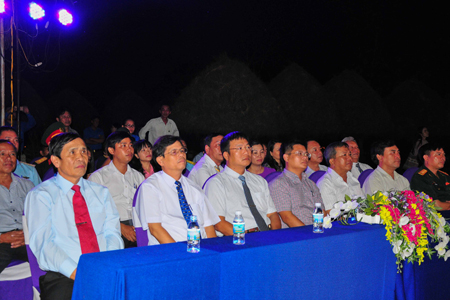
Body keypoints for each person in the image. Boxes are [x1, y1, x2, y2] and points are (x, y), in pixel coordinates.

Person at [24, 133, 123, 299]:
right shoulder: (41, 195)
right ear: (56, 161)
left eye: (84, 152)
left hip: (104, 266)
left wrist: (106, 264)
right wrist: (77, 272)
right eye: (73, 153)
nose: (81, 158)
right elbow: (44, 244)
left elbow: (112, 232)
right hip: (65, 273)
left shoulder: (101, 192)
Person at [135, 135, 219, 245]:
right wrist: (180, 253)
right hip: (171, 252)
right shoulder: (150, 187)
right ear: (160, 160)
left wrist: (213, 253)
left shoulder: (194, 187)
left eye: (182, 150)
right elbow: (155, 229)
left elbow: (208, 227)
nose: (181, 155)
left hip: (201, 250)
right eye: (174, 152)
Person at [204, 131, 281, 235]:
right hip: (241, 238)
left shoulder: (259, 181)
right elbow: (219, 223)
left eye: (248, 147)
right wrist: (245, 239)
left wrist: (274, 236)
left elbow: (272, 214)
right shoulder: (216, 183)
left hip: (266, 235)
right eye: (240, 148)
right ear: (226, 155)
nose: (246, 152)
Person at [89, 131, 145, 248]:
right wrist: (120, 227)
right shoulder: (98, 177)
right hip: (112, 228)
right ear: (111, 150)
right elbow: (94, 212)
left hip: (137, 226)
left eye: (130, 145)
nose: (129, 149)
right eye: (123, 145)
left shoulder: (137, 176)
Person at [269, 140, 325, 228]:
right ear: (286, 158)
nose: (305, 158)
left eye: (306, 154)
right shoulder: (279, 184)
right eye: (299, 153)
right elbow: (287, 217)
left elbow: (322, 211)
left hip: (316, 231)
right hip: (297, 235)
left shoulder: (310, 183)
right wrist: (310, 234)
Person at [0, 140, 34, 274]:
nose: (9, 158)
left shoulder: (27, 185)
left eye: (12, 154)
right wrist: (2, 238)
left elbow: (39, 218)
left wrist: (28, 236)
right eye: (3, 154)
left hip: (26, 239)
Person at [317, 142, 363, 213]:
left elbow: (363, 205)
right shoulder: (326, 183)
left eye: (349, 154)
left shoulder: (352, 178)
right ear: (332, 161)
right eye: (344, 155)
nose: (350, 158)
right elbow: (332, 215)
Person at [410, 143, 450, 213]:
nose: (443, 158)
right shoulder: (420, 177)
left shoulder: (445, 176)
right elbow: (436, 205)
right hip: (435, 217)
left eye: (443, 155)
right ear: (426, 157)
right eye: (438, 154)